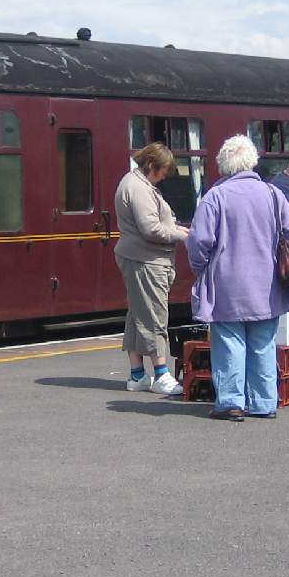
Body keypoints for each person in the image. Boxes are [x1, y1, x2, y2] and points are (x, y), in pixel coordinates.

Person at [186, 135, 289, 421]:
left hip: (227, 284)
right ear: (252, 161)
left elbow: (199, 241)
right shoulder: (274, 194)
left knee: (229, 342)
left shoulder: (215, 197)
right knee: (263, 343)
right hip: (267, 285)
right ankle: (264, 402)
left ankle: (230, 403)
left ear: (224, 166)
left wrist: (201, 268)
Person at [114, 143, 189, 396]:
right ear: (151, 166)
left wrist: (175, 228)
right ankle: (161, 375)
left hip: (139, 258)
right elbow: (151, 229)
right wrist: (179, 234)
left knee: (137, 314)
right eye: (164, 170)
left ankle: (137, 376)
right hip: (146, 261)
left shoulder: (135, 184)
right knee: (156, 316)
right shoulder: (138, 188)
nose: (165, 175)